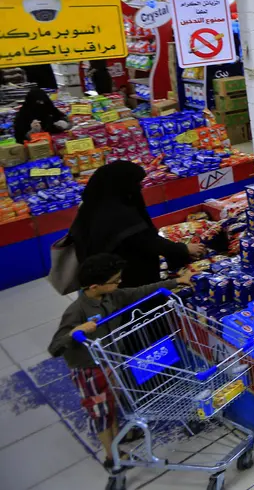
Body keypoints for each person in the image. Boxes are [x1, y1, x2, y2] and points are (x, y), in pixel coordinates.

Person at [48, 254, 192, 469]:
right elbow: (55, 347)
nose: (119, 283)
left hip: (111, 360)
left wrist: (174, 282)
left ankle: (119, 436)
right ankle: (111, 455)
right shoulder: (76, 311)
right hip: (89, 369)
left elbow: (139, 292)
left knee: (114, 399)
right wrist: (75, 332)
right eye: (115, 281)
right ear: (95, 286)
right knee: (101, 411)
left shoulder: (112, 297)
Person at [69, 161, 206, 286]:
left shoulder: (93, 205)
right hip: (127, 280)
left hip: (105, 278)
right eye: (136, 183)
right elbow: (146, 240)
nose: (139, 187)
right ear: (123, 185)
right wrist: (184, 249)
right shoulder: (117, 213)